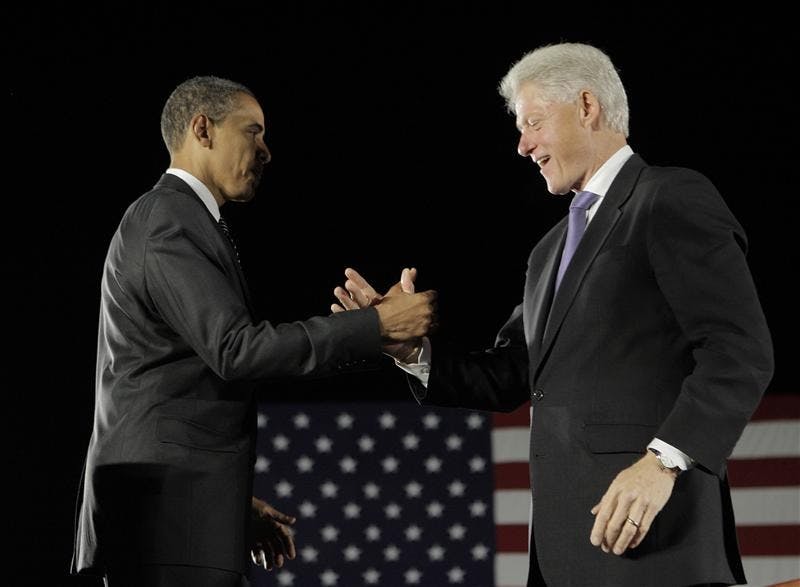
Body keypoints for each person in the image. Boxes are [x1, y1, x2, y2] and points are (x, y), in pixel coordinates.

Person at [332, 43, 774, 586]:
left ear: (587, 106)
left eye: (533, 123)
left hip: (655, 535)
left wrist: (662, 462)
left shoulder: (668, 197)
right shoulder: (549, 250)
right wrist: (409, 351)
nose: (522, 146)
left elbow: (739, 351)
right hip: (563, 551)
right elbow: (510, 373)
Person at [71, 75, 436, 587]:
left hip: (182, 510)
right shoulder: (168, 218)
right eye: (253, 132)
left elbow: (184, 377)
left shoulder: (187, 220)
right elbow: (235, 351)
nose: (266, 151)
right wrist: (371, 326)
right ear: (203, 128)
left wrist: (228, 502)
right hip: (163, 519)